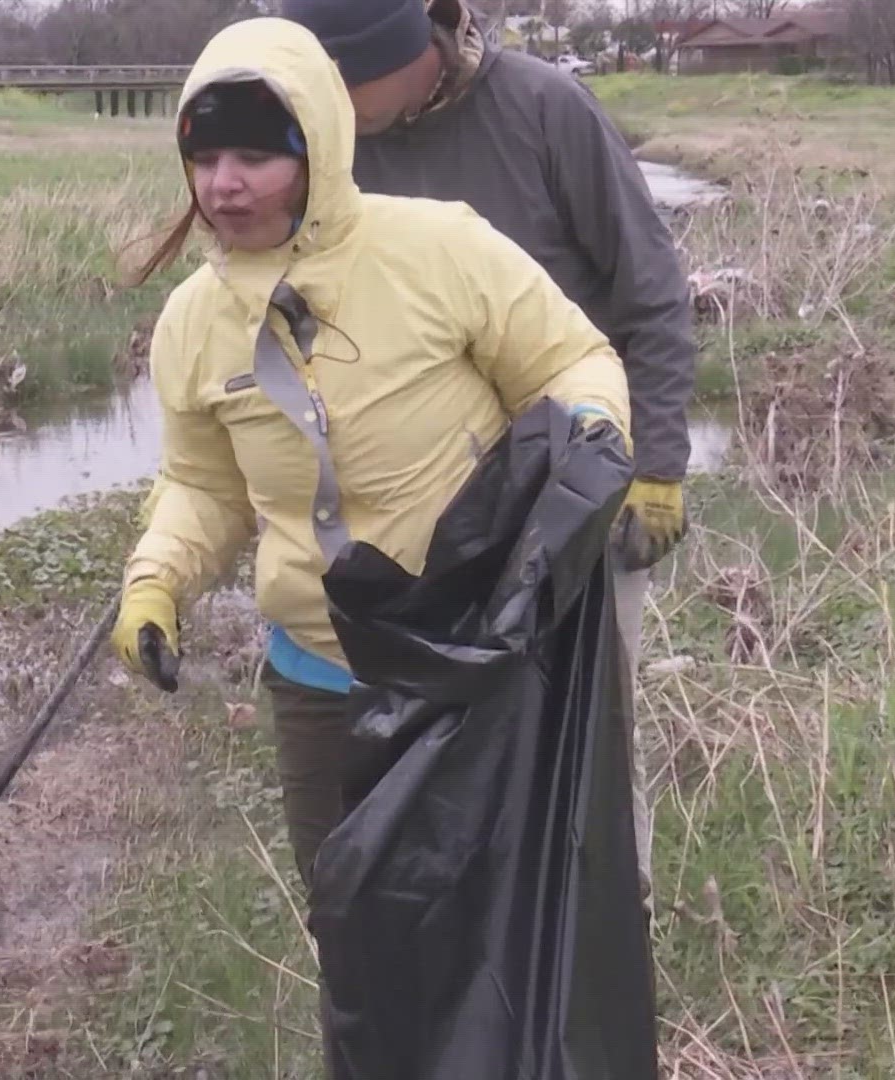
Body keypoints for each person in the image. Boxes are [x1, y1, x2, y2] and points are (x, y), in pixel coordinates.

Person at [112, 15, 632, 898]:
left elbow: (570, 361)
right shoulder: (193, 325)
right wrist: (155, 582)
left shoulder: (440, 248)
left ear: (317, 147)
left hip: (478, 660)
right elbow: (203, 485)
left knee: (502, 912)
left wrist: (593, 439)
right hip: (319, 679)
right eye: (204, 160)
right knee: (354, 926)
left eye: (254, 157)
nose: (225, 186)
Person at [279, 0, 701, 898]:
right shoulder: (333, 147)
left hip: (573, 500)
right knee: (447, 761)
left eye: (350, 83)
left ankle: (600, 956)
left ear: (416, 45)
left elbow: (654, 292)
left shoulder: (547, 110)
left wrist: (658, 467)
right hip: (424, 531)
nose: (336, 107)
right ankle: (467, 971)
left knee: (585, 747)